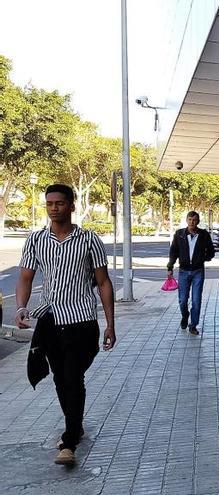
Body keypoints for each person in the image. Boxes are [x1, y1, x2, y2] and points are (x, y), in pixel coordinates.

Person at [15, 184, 117, 466]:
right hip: (49, 320)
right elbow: (25, 278)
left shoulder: (89, 240)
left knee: (73, 377)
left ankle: (69, 439)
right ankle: (75, 425)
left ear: (72, 206)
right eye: (49, 203)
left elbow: (103, 282)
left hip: (81, 320)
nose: (54, 208)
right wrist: (22, 307)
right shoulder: (36, 240)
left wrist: (110, 323)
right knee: (61, 379)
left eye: (60, 203)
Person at [167, 211, 214, 335]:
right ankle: (185, 315)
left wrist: (204, 258)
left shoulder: (203, 235)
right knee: (182, 300)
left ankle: (193, 325)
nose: (192, 222)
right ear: (186, 220)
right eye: (190, 220)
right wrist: (170, 267)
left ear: (198, 221)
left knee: (196, 300)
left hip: (198, 271)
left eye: (194, 220)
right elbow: (173, 251)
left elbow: (211, 251)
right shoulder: (179, 234)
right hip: (183, 271)